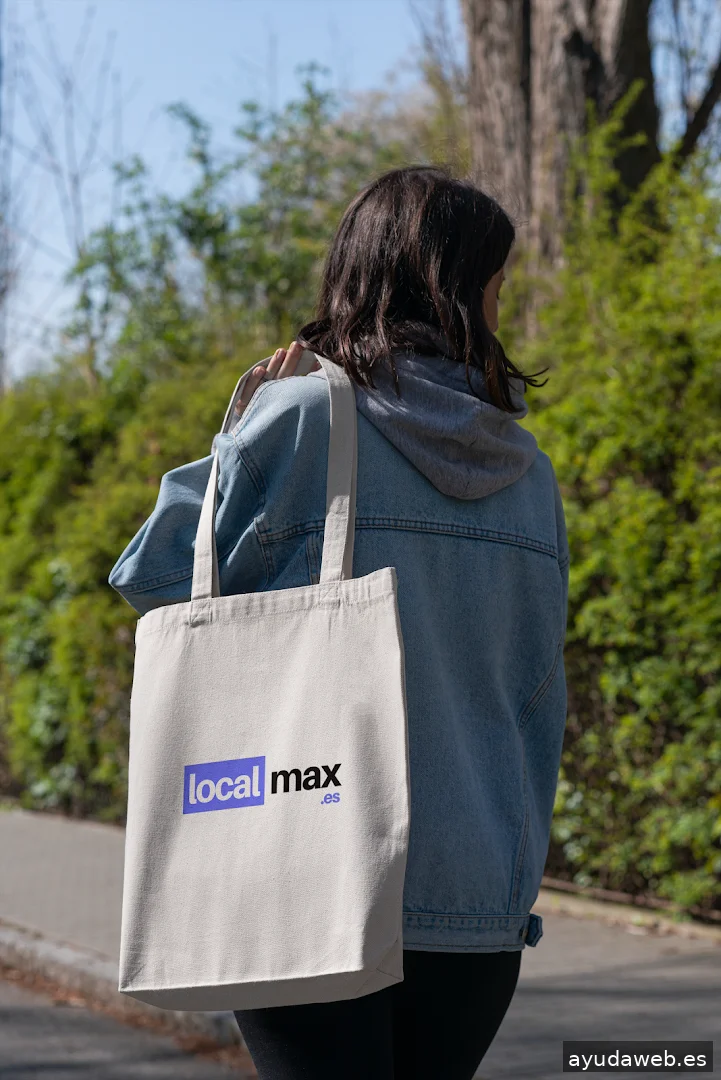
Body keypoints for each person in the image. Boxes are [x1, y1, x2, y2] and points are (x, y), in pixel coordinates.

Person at [109, 165, 569, 1080]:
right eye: (494, 283)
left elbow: (154, 578)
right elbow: (534, 694)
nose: (499, 303)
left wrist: (237, 433)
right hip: (477, 892)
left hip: (304, 870)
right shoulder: (529, 474)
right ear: (454, 290)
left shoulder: (301, 420)